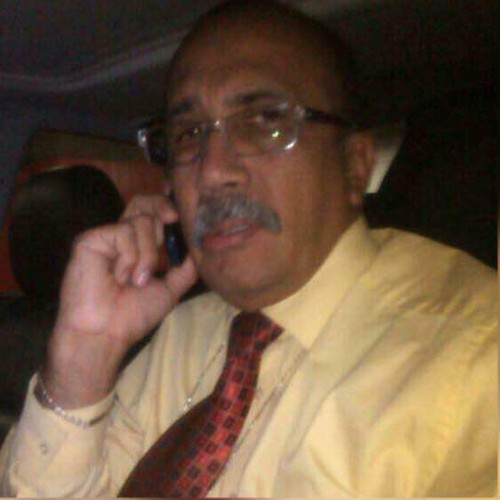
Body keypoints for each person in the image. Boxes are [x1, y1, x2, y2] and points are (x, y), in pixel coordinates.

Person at [0, 1, 496, 497]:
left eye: (265, 121)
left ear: (355, 165)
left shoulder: (473, 362)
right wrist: (83, 357)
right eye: (189, 135)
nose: (212, 171)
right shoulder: (185, 332)